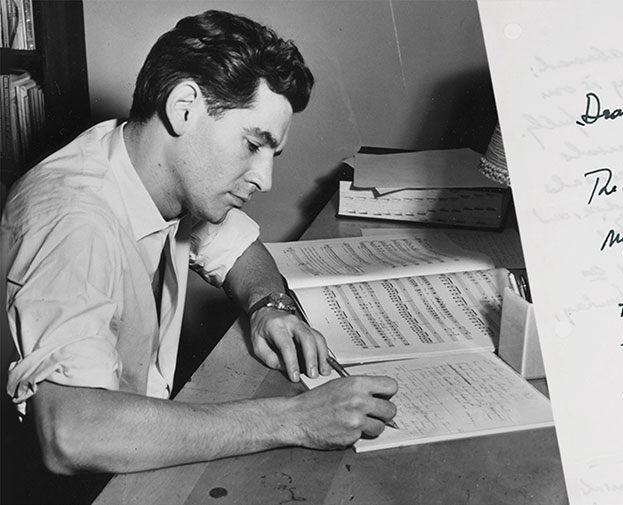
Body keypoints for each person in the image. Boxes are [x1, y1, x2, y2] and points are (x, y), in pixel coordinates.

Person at [1, 10, 397, 476]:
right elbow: (70, 433)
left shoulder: (145, 161)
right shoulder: (74, 221)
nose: (265, 179)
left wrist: (269, 306)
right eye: (253, 145)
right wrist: (295, 420)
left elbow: (240, 251)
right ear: (184, 107)